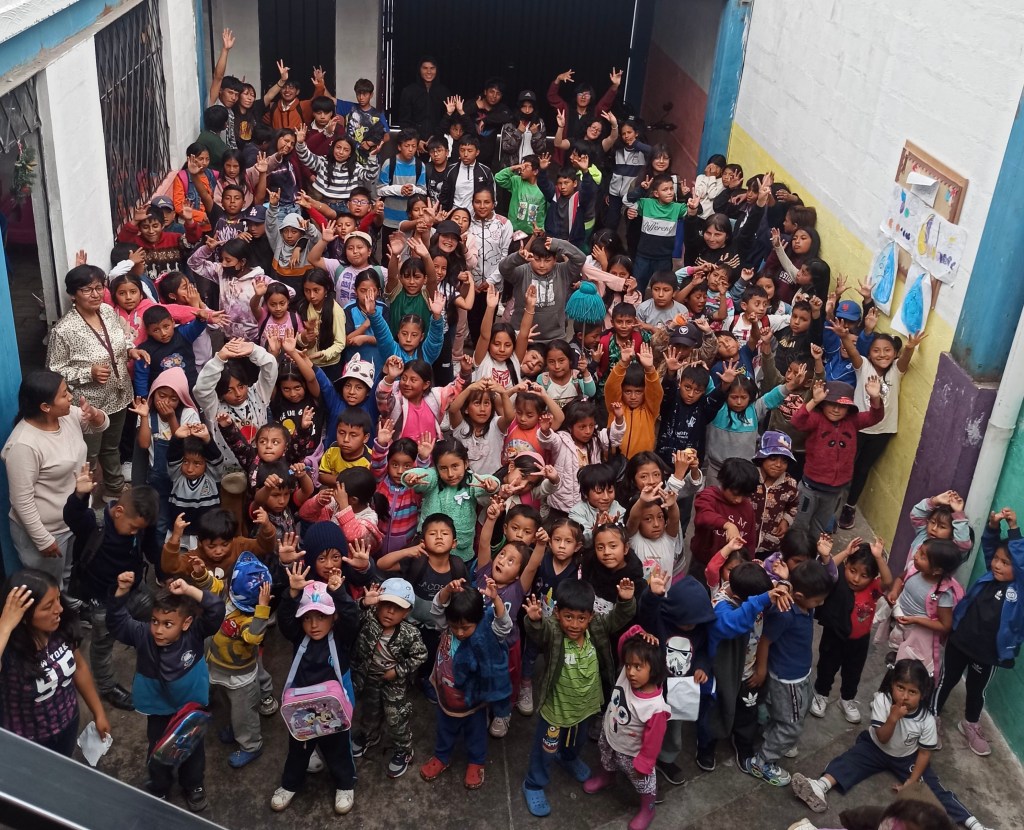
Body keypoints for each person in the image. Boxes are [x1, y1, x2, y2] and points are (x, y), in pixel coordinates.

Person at [791, 659, 994, 830]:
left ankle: (974, 824)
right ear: (892, 685)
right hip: (875, 747)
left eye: (912, 692)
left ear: (923, 694)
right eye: (900, 688)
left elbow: (924, 753)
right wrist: (893, 718)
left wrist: (912, 781)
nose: (904, 696)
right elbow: (882, 737)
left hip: (907, 757)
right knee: (851, 759)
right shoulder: (882, 701)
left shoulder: (926, 719)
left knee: (933, 788)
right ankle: (819, 786)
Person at [107, 571, 225, 811]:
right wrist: (121, 592)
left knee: (192, 747)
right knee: (158, 748)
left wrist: (189, 590)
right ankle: (159, 787)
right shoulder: (143, 635)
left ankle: (193, 784)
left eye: (168, 624)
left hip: (190, 707)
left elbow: (216, 609)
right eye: (155, 621)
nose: (158, 630)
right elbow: (117, 623)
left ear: (186, 623)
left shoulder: (195, 633)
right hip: (158, 710)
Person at [521, 577, 637, 818]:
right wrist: (533, 620)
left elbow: (618, 618)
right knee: (545, 750)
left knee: (578, 740)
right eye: (568, 617)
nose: (574, 624)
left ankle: (568, 758)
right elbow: (539, 632)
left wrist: (625, 601)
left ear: (591, 617)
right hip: (556, 710)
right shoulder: (553, 632)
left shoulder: (596, 628)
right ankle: (533, 783)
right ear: (557, 614)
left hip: (586, 706)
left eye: (581, 618)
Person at [63, 467, 159, 710]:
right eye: (133, 527)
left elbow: (151, 550)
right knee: (103, 643)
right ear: (118, 511)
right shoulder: (94, 524)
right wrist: (79, 496)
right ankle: (107, 687)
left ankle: (155, 654)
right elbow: (73, 516)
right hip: (103, 600)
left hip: (135, 591)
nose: (135, 532)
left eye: (139, 529)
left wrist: (167, 571)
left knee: (156, 618)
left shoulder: (142, 525)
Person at [2, 371, 107, 590]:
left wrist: (95, 414)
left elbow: (100, 425)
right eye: (64, 394)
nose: (71, 397)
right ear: (45, 407)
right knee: (49, 585)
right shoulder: (24, 445)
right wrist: (42, 539)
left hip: (74, 519)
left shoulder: (67, 416)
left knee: (72, 572)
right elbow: (21, 500)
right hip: (49, 530)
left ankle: (72, 606)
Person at [47, 265, 144, 500]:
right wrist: (87, 372)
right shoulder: (64, 330)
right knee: (88, 453)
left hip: (119, 393)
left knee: (112, 447)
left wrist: (130, 351)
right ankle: (83, 499)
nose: (95, 294)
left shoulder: (108, 312)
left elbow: (119, 340)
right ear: (73, 295)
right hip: (88, 404)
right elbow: (53, 371)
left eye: (99, 288)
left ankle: (114, 488)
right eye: (87, 290)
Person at [935, 508, 1024, 757]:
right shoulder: (990, 576)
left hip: (987, 654)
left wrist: (1014, 528)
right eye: (996, 559)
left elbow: (1021, 562)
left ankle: (970, 724)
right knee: (946, 680)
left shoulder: (1020, 591)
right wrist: (994, 526)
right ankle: (932, 716)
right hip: (961, 640)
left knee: (976, 690)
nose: (996, 565)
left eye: (1005, 563)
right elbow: (989, 545)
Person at [272, 565, 360, 814]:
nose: (313, 625)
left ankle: (345, 784)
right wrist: (291, 594)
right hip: (302, 710)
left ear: (334, 617)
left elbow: (352, 619)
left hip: (333, 710)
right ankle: (289, 784)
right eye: (307, 618)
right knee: (298, 749)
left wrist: (340, 593)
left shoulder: (341, 638)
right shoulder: (298, 637)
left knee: (338, 749)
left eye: (321, 617)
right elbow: (285, 621)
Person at [0, 568, 110, 756]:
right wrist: (5, 625)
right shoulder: (9, 651)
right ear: (23, 616)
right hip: (27, 743)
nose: (59, 609)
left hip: (68, 723)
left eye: (58, 599)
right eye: (47, 606)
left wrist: (98, 712)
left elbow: (79, 668)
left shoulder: (60, 630)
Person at [746, 560, 832, 786]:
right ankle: (762, 762)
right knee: (791, 726)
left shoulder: (804, 604)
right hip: (787, 680)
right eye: (818, 601)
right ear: (801, 596)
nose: (821, 604)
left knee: (792, 714)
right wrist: (761, 670)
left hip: (799, 674)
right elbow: (765, 641)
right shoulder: (784, 613)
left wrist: (786, 580)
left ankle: (770, 742)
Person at [419, 576, 511, 789]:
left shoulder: (485, 636)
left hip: (473, 702)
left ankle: (476, 761)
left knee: (476, 732)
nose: (459, 632)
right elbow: (436, 609)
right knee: (444, 728)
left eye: (466, 627)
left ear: (478, 621)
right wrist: (446, 591)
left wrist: (496, 599)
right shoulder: (446, 628)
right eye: (455, 626)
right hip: (446, 697)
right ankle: (442, 756)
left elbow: (504, 626)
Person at [582, 628, 671, 830]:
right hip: (611, 735)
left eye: (638, 667)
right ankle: (607, 777)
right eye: (629, 665)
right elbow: (624, 645)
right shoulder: (626, 674)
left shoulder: (655, 707)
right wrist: (638, 632)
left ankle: (648, 808)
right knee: (606, 758)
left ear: (654, 668)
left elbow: (654, 741)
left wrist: (645, 763)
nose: (630, 671)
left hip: (632, 753)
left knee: (643, 783)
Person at [350, 576, 428, 778]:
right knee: (369, 709)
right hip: (368, 677)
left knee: (396, 717)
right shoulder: (368, 618)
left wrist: (398, 671)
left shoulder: (410, 634)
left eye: (398, 608)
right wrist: (363, 602)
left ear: (407, 611)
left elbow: (421, 655)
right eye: (386, 605)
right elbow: (348, 614)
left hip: (394, 683)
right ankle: (370, 735)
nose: (390, 611)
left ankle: (404, 749)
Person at [810, 537, 893, 723]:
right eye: (852, 570)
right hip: (834, 636)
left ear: (873, 577)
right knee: (826, 667)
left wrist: (879, 558)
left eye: (864, 575)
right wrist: (846, 552)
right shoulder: (837, 577)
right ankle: (821, 694)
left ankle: (846, 699)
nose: (855, 579)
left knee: (853, 672)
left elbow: (888, 581)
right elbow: (825, 569)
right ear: (846, 565)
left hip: (859, 640)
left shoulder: (873, 589)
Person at [789, 379, 883, 535]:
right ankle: (794, 549)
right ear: (823, 404)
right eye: (831, 404)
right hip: (810, 488)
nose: (836, 410)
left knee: (819, 527)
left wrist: (875, 397)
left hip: (834, 491)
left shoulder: (853, 421)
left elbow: (875, 417)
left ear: (849, 408)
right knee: (799, 525)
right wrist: (814, 400)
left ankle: (814, 549)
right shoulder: (816, 419)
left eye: (842, 406)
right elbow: (797, 421)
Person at [397, 57, 451, 149]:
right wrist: (416, 140)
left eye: (432, 68)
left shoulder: (444, 92)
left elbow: (447, 119)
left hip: (438, 143)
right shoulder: (409, 91)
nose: (429, 72)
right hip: (413, 145)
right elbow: (404, 121)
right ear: (419, 70)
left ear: (437, 70)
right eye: (425, 68)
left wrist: (436, 137)